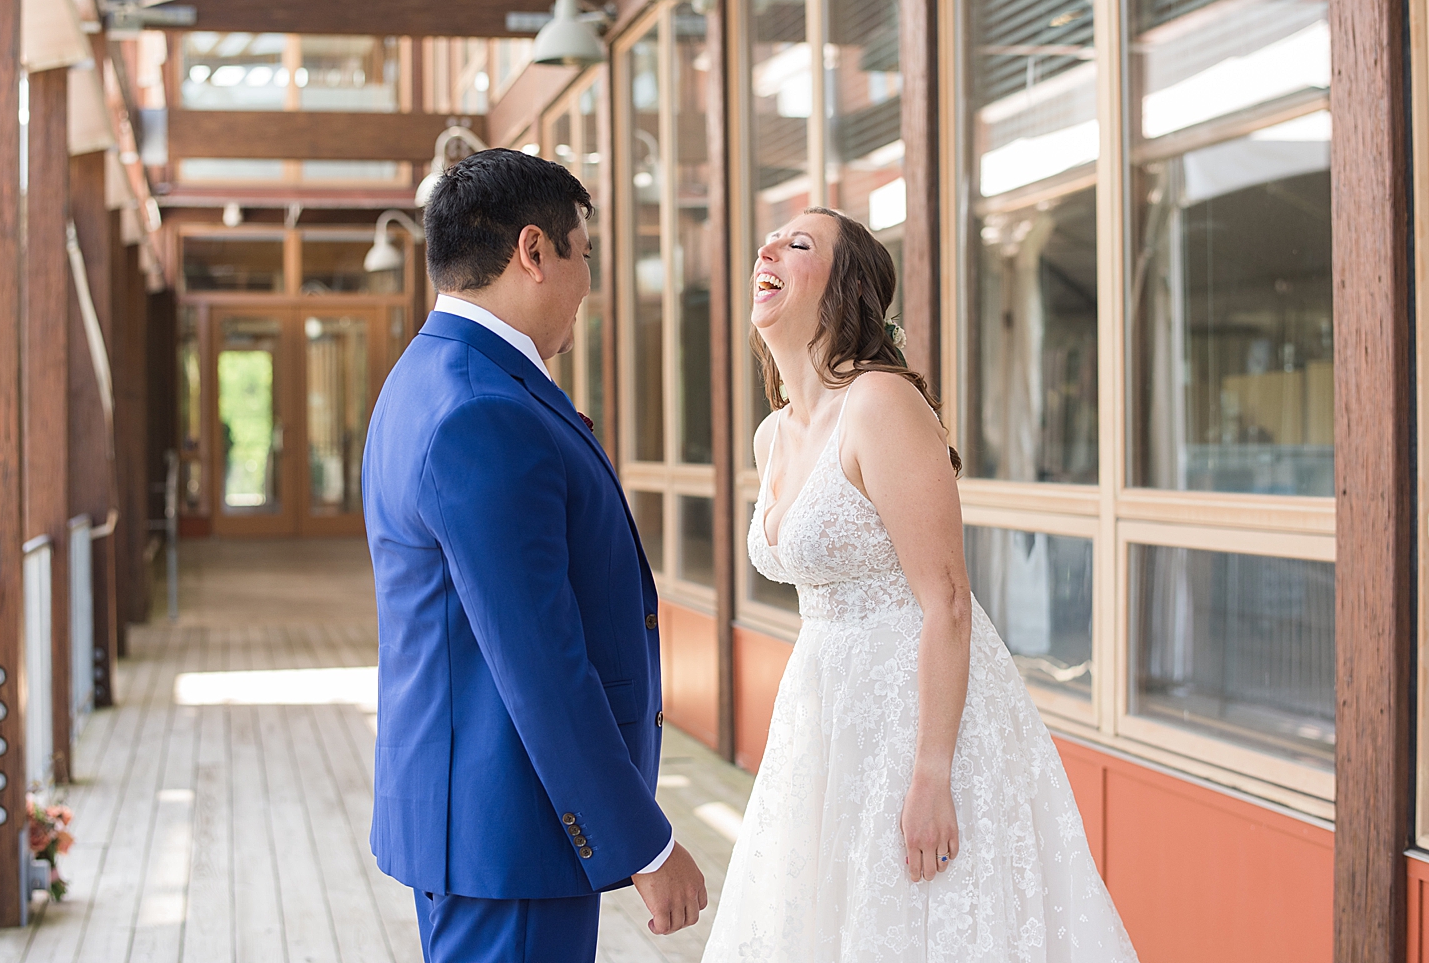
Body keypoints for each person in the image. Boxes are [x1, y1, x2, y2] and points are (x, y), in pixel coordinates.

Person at [701, 208, 1139, 962]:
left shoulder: (880, 401)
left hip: (917, 712)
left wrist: (932, 771)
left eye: (798, 243)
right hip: (821, 712)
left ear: (845, 292)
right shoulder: (771, 435)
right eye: (768, 237)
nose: (766, 246)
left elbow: (946, 600)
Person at [362, 148, 708, 963]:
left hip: (475, 818)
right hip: (508, 825)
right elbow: (540, 660)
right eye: (583, 253)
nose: (587, 283)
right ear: (533, 250)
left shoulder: (425, 379)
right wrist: (644, 845)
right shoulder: (483, 409)